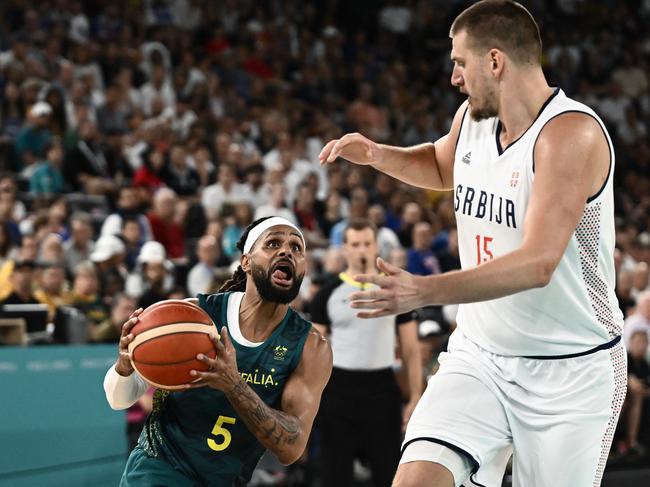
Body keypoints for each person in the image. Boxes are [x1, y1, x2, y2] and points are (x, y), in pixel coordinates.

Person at [319, 1, 626, 486]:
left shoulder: (569, 134)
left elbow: (538, 262)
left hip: (569, 372)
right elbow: (442, 166)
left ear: (496, 62)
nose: (454, 77)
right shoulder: (473, 119)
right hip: (479, 355)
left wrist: (425, 290)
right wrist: (378, 155)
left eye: (460, 62)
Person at [103, 216, 332, 486]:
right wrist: (125, 366)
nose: (286, 252)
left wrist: (234, 385)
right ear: (246, 261)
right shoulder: (192, 317)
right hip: (159, 469)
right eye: (272, 244)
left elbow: (291, 449)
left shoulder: (309, 346)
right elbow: (119, 400)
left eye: (297, 249)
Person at [310, 218, 422, 487]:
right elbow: (313, 352)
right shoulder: (327, 293)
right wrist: (309, 398)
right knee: (335, 475)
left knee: (390, 474)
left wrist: (416, 395)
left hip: (382, 388)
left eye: (367, 244)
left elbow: (410, 348)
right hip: (338, 389)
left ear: (376, 247)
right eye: (355, 244)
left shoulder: (395, 291)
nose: (362, 250)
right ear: (345, 248)